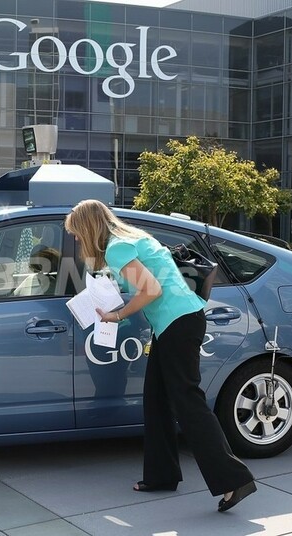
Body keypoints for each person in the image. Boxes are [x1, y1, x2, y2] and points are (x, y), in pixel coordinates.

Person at [65, 199, 256, 513]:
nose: (75, 239)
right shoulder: (133, 238)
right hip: (176, 322)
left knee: (188, 403)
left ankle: (234, 479)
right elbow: (151, 286)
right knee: (156, 399)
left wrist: (117, 316)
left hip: (177, 324)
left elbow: (151, 290)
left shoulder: (117, 249)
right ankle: (161, 475)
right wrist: (118, 307)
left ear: (88, 228)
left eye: (76, 233)